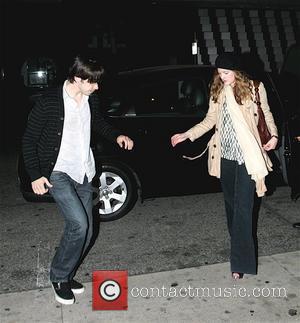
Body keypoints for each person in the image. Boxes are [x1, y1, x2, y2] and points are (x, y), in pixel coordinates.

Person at [22, 54, 134, 305]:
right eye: (92, 82)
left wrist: (117, 136)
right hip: (58, 171)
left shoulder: (90, 100)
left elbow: (99, 124)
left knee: (88, 229)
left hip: (84, 170)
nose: (97, 87)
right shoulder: (49, 102)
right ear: (77, 78)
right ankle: (59, 277)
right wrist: (35, 175)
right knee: (79, 225)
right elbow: (29, 140)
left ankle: (67, 272)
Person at [171, 52, 278, 279]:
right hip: (225, 156)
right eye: (219, 73)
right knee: (231, 207)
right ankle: (239, 247)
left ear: (237, 72)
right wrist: (187, 134)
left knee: (243, 209)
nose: (222, 76)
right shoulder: (218, 90)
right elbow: (210, 120)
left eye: (227, 73)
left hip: (248, 157)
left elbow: (266, 113)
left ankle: (239, 263)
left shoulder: (254, 88)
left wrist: (274, 136)